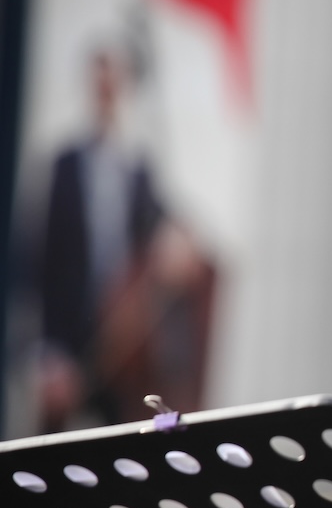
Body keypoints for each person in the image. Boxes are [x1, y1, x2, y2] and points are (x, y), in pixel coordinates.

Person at [35, 47, 212, 432]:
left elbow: (164, 226)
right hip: (70, 340)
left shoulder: (137, 169)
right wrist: (49, 350)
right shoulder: (65, 164)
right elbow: (45, 261)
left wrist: (177, 242)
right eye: (101, 85)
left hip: (121, 348)